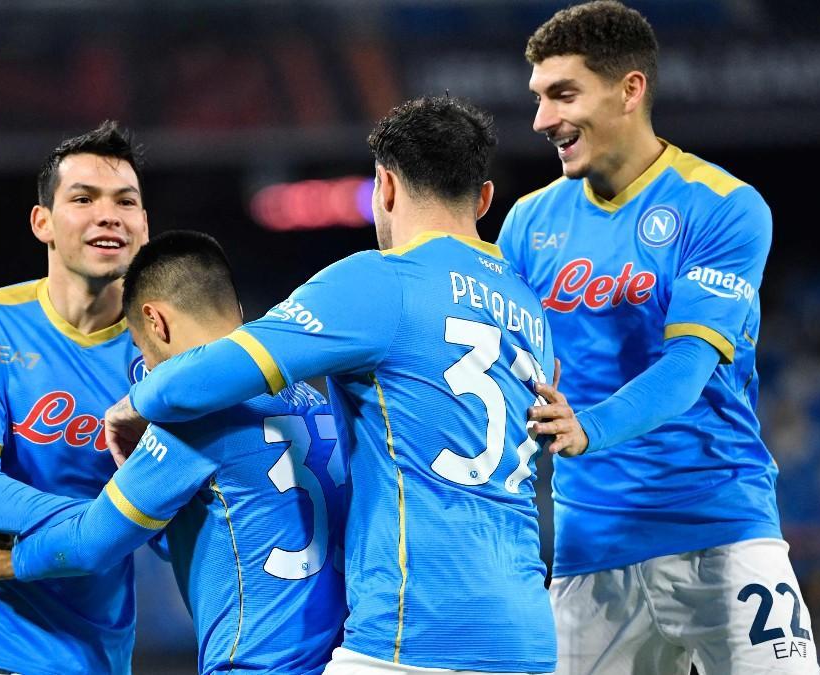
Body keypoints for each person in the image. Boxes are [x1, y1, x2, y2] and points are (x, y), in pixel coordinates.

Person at [105, 96, 558, 674]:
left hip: (415, 632)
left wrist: (133, 402)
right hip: (529, 637)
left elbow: (206, 376)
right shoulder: (529, 309)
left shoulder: (378, 281)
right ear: (485, 198)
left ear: (385, 187)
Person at [499, 2, 820, 673]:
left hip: (719, 533)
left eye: (563, 94)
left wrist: (587, 427)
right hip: (590, 550)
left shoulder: (724, 206)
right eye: (537, 98)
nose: (542, 121)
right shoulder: (529, 224)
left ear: (630, 89)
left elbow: (687, 368)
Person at [0, 230, 350, 674]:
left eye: (142, 350)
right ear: (235, 310)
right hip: (342, 657)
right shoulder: (313, 401)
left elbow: (93, 543)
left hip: (258, 662)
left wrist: (17, 557)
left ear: (155, 323)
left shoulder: (192, 416)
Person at [0, 121, 150, 675]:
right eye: (83, 198)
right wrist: (101, 527)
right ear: (42, 221)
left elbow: (167, 530)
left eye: (126, 201)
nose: (108, 214)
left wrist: (54, 546)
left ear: (143, 226)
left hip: (92, 657)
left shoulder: (166, 355)